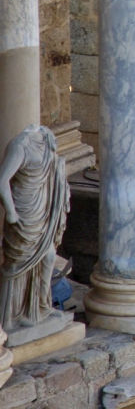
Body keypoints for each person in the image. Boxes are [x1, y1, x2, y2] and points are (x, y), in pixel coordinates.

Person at [0, 125, 69, 331]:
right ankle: (10, 317)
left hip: (42, 210)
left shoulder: (46, 138)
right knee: (17, 264)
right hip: (23, 213)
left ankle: (40, 308)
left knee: (47, 256)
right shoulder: (20, 145)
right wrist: (11, 212)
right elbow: (2, 181)